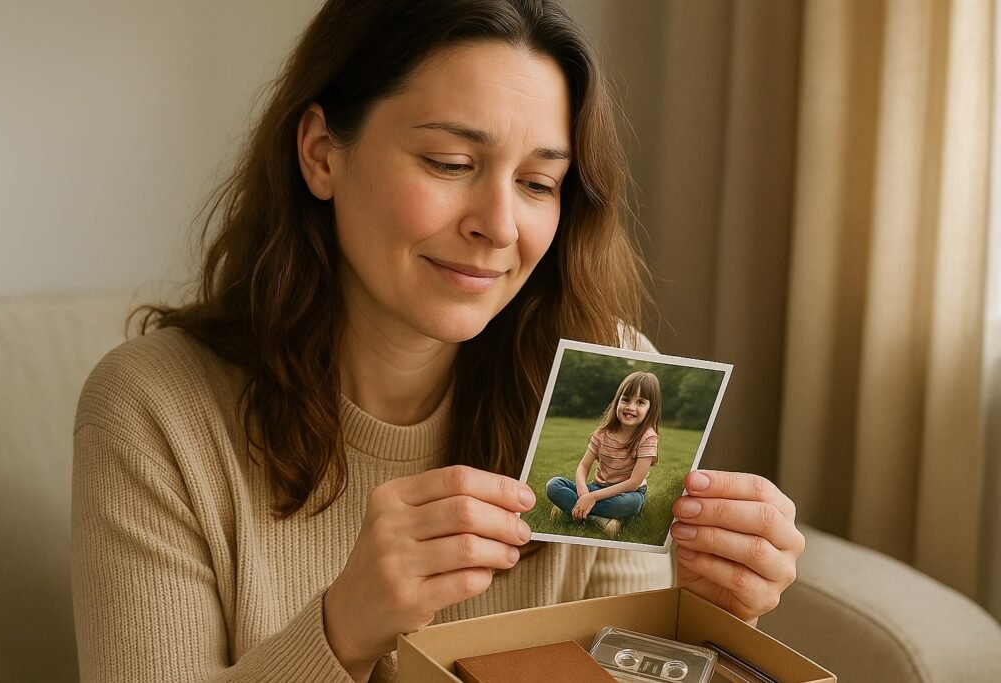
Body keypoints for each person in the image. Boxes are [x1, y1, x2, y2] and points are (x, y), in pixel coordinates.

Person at [70, 1, 806, 681]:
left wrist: (708, 623)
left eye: (539, 183)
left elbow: (623, 663)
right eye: (451, 164)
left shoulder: (607, 379)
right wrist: (340, 629)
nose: (500, 224)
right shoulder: (153, 412)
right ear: (323, 153)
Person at [545, 371, 660, 538]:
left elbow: (634, 483)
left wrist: (592, 498)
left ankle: (571, 509)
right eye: (626, 399)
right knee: (553, 485)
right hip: (597, 487)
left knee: (631, 504)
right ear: (617, 401)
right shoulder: (602, 434)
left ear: (651, 409)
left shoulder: (647, 437)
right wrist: (584, 493)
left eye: (640, 402)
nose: (630, 407)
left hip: (627, 493)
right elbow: (583, 467)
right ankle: (598, 519)